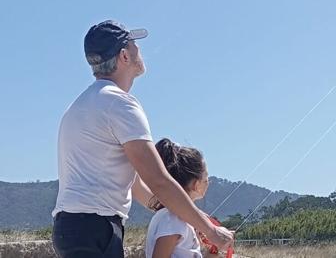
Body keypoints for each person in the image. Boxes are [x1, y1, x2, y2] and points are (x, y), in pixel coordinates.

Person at [52, 20, 234, 257]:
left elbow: (135, 184)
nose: (139, 50)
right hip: (95, 227)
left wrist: (189, 215)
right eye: (134, 44)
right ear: (124, 56)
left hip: (73, 227)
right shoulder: (120, 104)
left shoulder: (81, 105)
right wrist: (211, 231)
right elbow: (158, 179)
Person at [146, 138, 211, 258]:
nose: (208, 182)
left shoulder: (176, 218)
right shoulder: (173, 219)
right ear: (196, 185)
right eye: (206, 177)